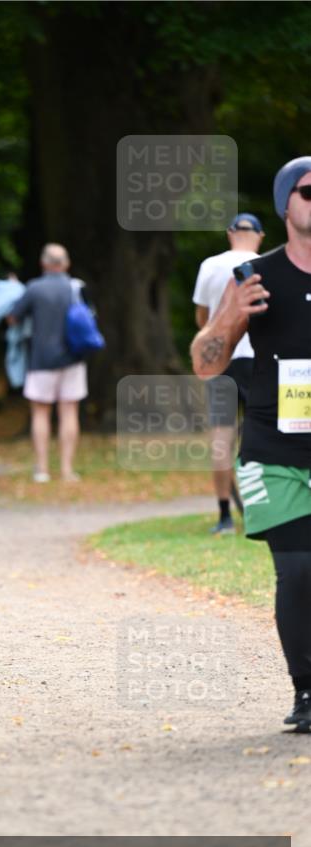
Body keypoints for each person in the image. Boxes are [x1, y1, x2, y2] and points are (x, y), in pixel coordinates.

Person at [191, 156, 311, 733]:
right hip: (276, 447)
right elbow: (204, 366)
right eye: (310, 192)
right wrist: (227, 321)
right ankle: (306, 691)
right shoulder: (253, 277)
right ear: (285, 203)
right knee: (298, 570)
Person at [192, 214, 265, 534]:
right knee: (259, 434)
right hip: (255, 358)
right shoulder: (268, 264)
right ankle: (258, 510)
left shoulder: (209, 265)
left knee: (222, 436)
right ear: (260, 236)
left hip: (219, 360)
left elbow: (202, 318)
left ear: (229, 233)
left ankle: (224, 515)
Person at [9, 243, 87, 483]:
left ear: (44, 263)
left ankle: (42, 470)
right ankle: (66, 470)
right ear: (66, 264)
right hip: (73, 358)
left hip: (41, 359)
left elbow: (12, 318)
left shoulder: (34, 288)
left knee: (41, 414)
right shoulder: (76, 288)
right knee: (69, 412)